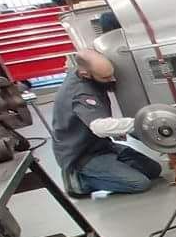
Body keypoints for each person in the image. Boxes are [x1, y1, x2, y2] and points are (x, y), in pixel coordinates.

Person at [50, 50, 162, 197]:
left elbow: (82, 55)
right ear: (86, 74)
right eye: (105, 77)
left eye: (111, 74)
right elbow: (99, 127)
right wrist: (141, 122)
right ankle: (80, 182)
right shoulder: (81, 94)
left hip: (101, 145)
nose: (112, 79)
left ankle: (111, 169)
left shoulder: (81, 71)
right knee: (140, 183)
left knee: (153, 170)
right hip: (82, 155)